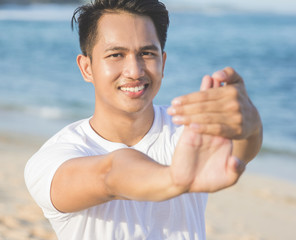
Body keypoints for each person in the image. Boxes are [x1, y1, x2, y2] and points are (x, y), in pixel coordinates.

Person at [24, 0, 263, 239]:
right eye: (116, 54)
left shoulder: (188, 130)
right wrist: (172, 179)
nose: (135, 71)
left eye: (147, 54)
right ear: (87, 68)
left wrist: (250, 124)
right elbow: (109, 175)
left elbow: (241, 150)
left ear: (163, 62)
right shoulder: (53, 159)